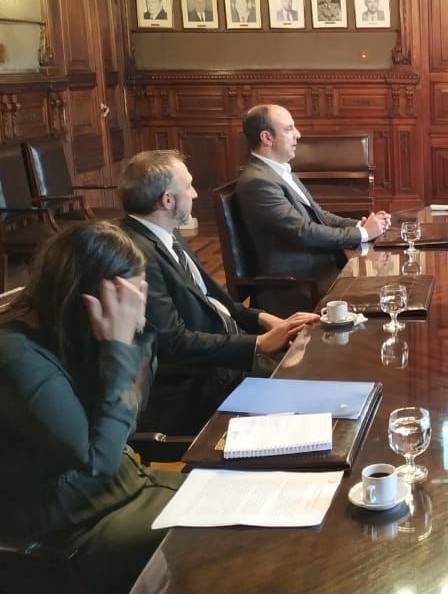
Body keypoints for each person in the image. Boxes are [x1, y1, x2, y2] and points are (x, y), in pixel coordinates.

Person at [0, 221, 183, 593]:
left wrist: (136, 335)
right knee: (223, 531)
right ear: (86, 296)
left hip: (118, 494)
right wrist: (119, 348)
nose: (136, 305)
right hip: (61, 534)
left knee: (250, 501)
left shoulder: (69, 329)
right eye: (127, 298)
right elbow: (98, 460)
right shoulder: (12, 357)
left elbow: (132, 413)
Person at [118, 149, 317, 434]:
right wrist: (259, 344)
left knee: (318, 363)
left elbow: (213, 300)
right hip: (202, 385)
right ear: (167, 200)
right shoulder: (136, 255)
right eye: (189, 186)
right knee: (313, 397)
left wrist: (265, 319)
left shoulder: (167, 234)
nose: (194, 194)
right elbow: (173, 343)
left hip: (228, 359)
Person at [236, 104, 391, 315]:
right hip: (298, 285)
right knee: (387, 297)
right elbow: (303, 232)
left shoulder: (279, 172)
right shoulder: (258, 182)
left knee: (388, 289)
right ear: (266, 138)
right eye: (289, 129)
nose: (298, 134)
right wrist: (363, 233)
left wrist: (360, 225)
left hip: (318, 271)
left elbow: (319, 215)